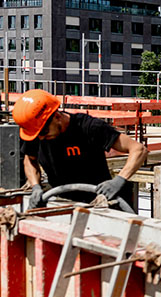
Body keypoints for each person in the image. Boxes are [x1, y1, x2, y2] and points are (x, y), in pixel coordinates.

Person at [13, 89, 148, 210]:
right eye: (38, 135)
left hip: (98, 203)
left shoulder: (88, 127)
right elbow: (29, 159)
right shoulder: (37, 132)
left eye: (44, 132)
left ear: (57, 117)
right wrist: (35, 186)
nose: (41, 138)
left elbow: (138, 149)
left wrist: (119, 180)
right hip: (61, 202)